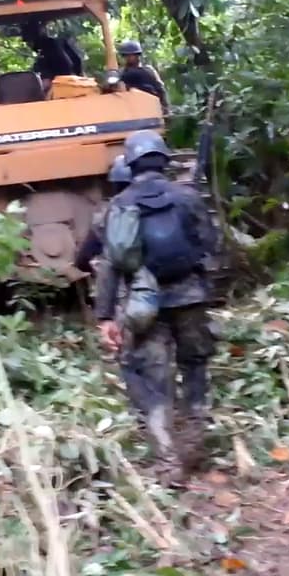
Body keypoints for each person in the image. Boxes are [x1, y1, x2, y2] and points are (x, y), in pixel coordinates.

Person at [96, 130, 217, 484]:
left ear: (130, 164)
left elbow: (110, 266)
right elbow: (211, 242)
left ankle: (168, 461)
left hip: (143, 305)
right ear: (164, 159)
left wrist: (105, 317)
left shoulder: (119, 205)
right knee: (195, 364)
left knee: (151, 379)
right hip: (191, 296)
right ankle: (194, 440)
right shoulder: (187, 196)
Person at [117, 40, 168, 114]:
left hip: (149, 106)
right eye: (126, 55)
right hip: (129, 108)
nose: (129, 58)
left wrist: (165, 108)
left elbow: (160, 89)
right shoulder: (122, 73)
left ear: (137, 55)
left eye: (132, 55)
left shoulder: (148, 70)